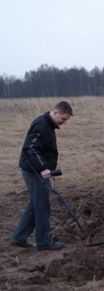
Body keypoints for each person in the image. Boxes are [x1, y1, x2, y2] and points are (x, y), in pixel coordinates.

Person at [11, 101, 73, 250]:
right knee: (42, 206)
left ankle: (19, 237)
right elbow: (30, 149)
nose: (64, 123)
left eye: (66, 120)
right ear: (55, 112)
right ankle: (44, 242)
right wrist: (43, 168)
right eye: (63, 119)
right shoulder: (42, 125)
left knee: (35, 204)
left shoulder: (48, 124)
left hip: (35, 170)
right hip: (33, 171)